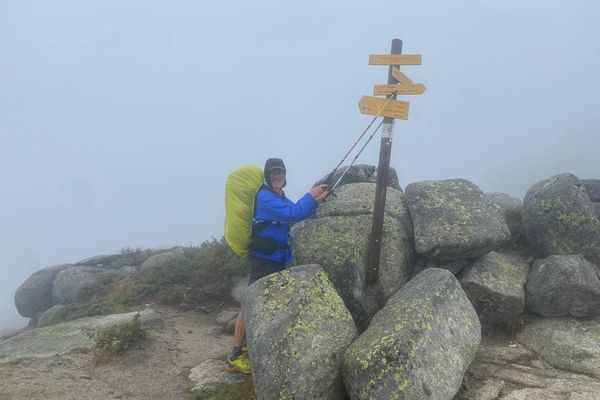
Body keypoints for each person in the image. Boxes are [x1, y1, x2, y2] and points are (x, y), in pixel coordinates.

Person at [226, 158, 329, 374]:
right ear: (266, 176)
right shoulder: (264, 197)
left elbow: (293, 213)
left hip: (277, 258)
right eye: (273, 173)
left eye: (280, 173)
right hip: (263, 260)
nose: (277, 176)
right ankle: (235, 355)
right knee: (249, 305)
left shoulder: (278, 197)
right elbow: (294, 213)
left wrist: (316, 202)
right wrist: (310, 195)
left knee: (266, 305)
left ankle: (254, 350)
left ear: (285, 175)